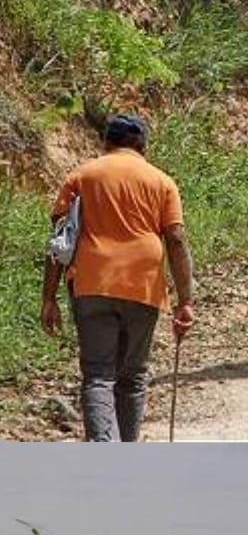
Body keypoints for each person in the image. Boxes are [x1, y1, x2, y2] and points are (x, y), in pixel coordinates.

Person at [40, 114, 194, 442]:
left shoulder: (82, 176)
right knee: (133, 377)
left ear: (105, 143)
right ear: (143, 147)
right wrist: (186, 302)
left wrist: (48, 298)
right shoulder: (162, 181)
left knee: (97, 375)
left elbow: (59, 238)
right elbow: (177, 240)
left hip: (91, 283)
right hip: (144, 285)